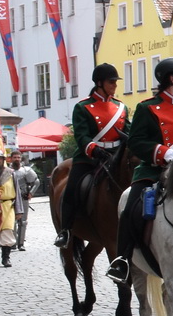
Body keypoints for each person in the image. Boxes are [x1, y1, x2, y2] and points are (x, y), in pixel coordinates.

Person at [106, 58, 173, 285]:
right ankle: (122, 260)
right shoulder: (146, 108)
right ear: (172, 79)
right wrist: (164, 153)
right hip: (153, 170)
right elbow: (136, 142)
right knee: (131, 209)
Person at [55, 63, 129, 248]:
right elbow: (81, 135)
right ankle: (66, 230)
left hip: (116, 154)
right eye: (111, 82)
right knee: (72, 189)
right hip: (90, 157)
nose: (114, 85)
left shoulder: (120, 107)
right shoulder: (83, 107)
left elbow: (127, 130)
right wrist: (94, 149)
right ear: (99, 83)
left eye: (115, 82)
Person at [10, 152, 39, 251]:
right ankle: (12, 242)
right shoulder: (6, 171)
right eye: (15, 157)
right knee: (11, 222)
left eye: (18, 157)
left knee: (23, 222)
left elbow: (36, 181)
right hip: (9, 199)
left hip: (23, 198)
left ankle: (21, 243)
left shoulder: (26, 170)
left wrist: (31, 193)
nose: (17, 159)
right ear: (11, 159)